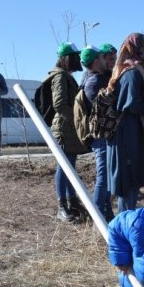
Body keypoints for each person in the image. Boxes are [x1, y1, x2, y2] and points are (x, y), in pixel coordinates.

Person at [107, 33, 144, 212]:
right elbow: (131, 105)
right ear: (139, 50)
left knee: (132, 182)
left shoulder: (130, 70)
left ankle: (128, 221)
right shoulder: (132, 73)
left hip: (131, 133)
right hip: (127, 136)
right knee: (128, 183)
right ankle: (125, 225)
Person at [46, 42, 87, 223]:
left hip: (69, 128)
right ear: (67, 58)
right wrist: (76, 120)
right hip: (64, 128)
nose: (78, 60)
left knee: (70, 167)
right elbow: (60, 104)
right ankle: (61, 206)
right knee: (64, 167)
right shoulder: (59, 77)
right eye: (75, 57)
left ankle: (73, 202)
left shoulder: (65, 76)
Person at [80, 45, 114, 220]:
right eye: (102, 57)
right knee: (103, 176)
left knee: (107, 175)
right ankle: (98, 214)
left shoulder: (98, 78)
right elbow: (100, 108)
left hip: (103, 135)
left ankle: (106, 211)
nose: (105, 60)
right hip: (100, 136)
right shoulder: (93, 82)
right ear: (95, 61)